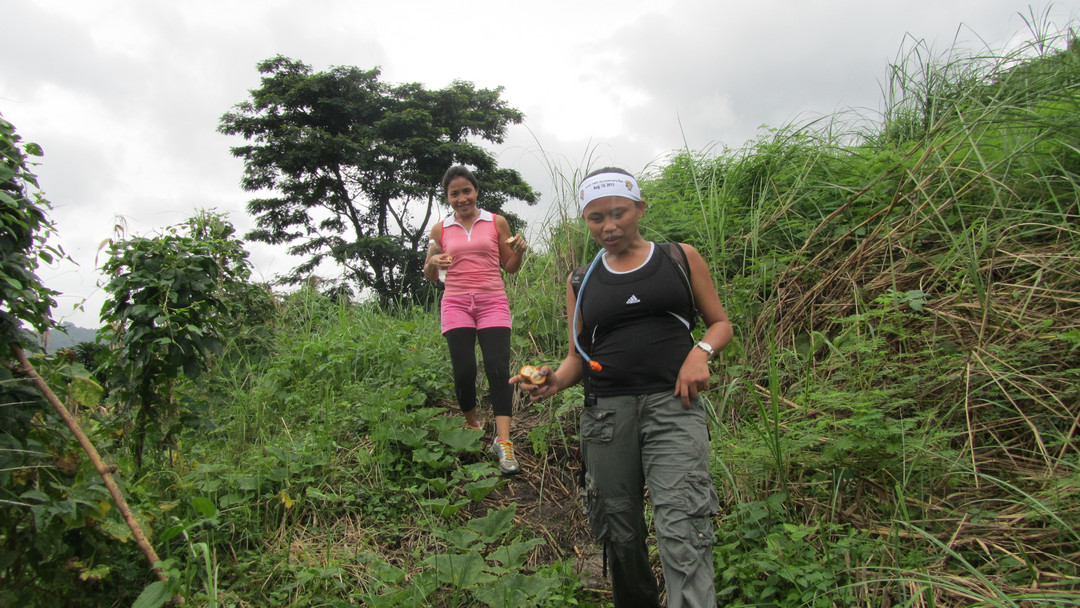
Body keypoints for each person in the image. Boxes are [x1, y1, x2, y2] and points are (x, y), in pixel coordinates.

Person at [511, 167, 733, 607]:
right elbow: (577, 357)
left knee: (683, 523)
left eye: (619, 213)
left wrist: (700, 353)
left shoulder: (679, 258)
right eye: (596, 218)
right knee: (619, 530)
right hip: (606, 416)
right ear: (585, 220)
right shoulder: (581, 280)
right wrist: (554, 380)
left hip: (674, 406)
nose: (608, 226)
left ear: (640, 208)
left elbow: (720, 324)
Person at [425, 165, 528, 475]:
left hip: (492, 301)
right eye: (454, 194)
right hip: (456, 303)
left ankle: (503, 441)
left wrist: (519, 251)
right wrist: (433, 261)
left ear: (476, 191)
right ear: (447, 197)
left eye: (466, 191)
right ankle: (472, 425)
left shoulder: (496, 222)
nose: (462, 199)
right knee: (464, 370)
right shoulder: (440, 230)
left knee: (498, 368)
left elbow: (510, 266)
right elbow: (431, 275)